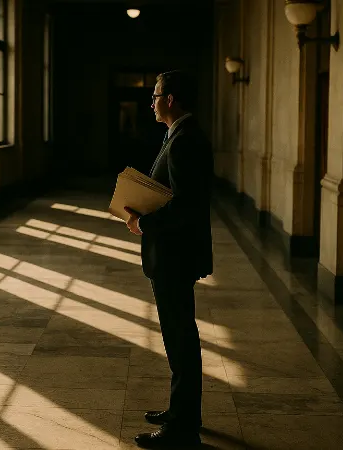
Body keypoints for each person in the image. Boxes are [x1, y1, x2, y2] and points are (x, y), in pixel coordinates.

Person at [123, 69, 214, 449]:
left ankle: (182, 427)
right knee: (179, 337)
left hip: (174, 256)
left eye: (156, 94)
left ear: (171, 99)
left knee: (180, 339)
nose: (152, 101)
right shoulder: (178, 134)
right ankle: (182, 412)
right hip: (176, 254)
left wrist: (143, 222)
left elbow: (185, 208)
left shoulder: (184, 139)